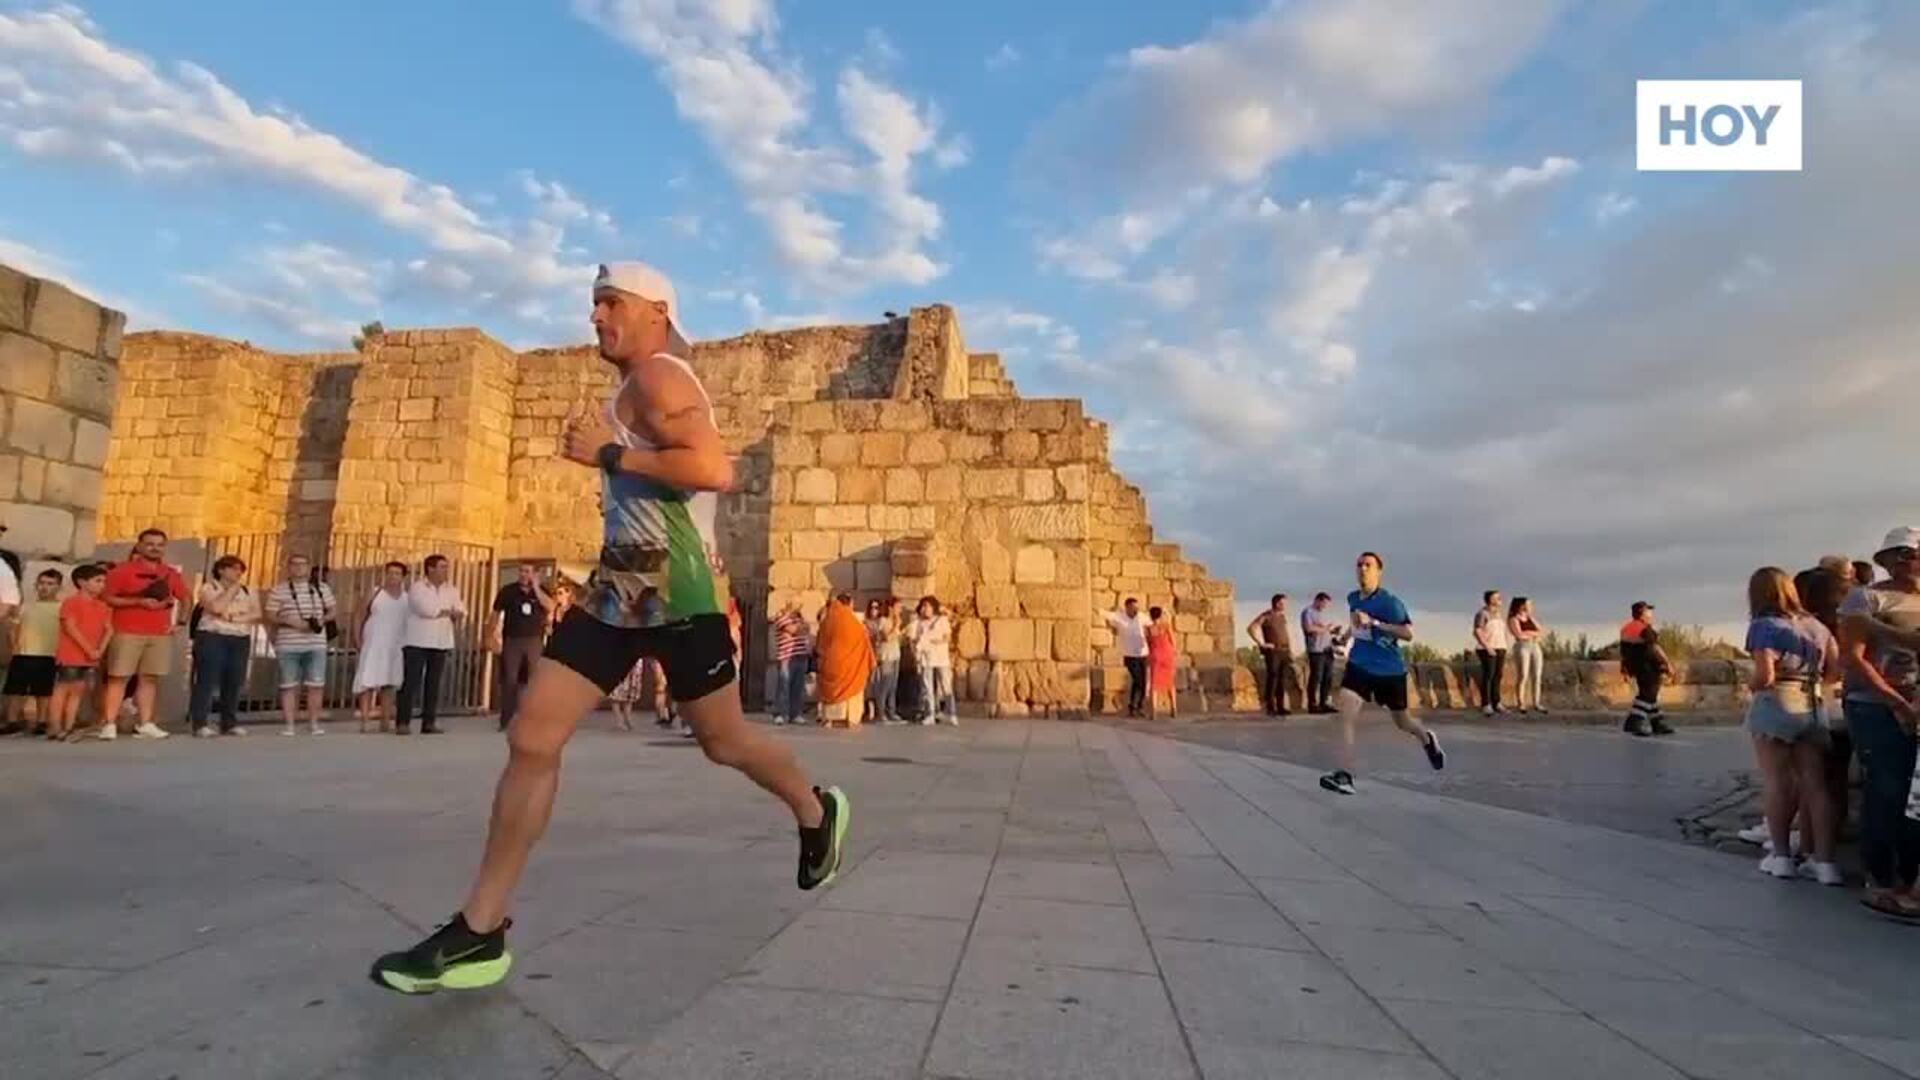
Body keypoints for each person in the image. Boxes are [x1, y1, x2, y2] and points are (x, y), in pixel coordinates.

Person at [369, 260, 848, 994]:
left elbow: (713, 470)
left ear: (656, 311)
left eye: (610, 302)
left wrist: (607, 452)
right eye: (593, 303)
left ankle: (816, 808)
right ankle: (480, 930)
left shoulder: (661, 375)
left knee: (724, 742)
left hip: (679, 588)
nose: (595, 316)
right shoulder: (634, 384)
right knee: (533, 735)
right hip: (619, 585)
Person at [1839, 527, 1920, 920]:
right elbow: (1853, 658)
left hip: (1915, 702)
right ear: (1885, 560)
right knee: (1886, 788)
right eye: (1901, 553)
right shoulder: (1867, 597)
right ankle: (1880, 879)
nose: (1909, 559)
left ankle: (1908, 880)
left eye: (1915, 553)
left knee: (1912, 796)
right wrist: (1897, 703)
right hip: (1874, 702)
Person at [1744, 567, 1843, 885]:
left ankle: (1782, 856)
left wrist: (1752, 685)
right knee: (1815, 786)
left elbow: (1765, 677)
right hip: (1812, 705)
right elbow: (1833, 673)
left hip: (1777, 703)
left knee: (1777, 782)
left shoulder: (1763, 627)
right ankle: (1825, 863)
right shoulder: (1818, 628)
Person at [1319, 552, 1445, 796]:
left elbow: (1408, 634)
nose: (1362, 569)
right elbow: (1356, 623)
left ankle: (1426, 738)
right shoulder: (1353, 598)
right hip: (1358, 666)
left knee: (1403, 722)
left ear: (1379, 571)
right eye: (1359, 565)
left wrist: (1376, 624)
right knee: (1345, 713)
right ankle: (1344, 775)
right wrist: (1344, 638)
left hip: (1389, 670)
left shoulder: (1390, 602)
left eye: (1368, 565)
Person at [98, 528, 188, 740]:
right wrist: (137, 602)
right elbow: (108, 598)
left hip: (159, 633)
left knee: (149, 678)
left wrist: (181, 622)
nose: (155, 548)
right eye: (150, 544)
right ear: (139, 546)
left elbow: (185, 597)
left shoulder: (171, 573)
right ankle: (109, 723)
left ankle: (145, 723)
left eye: (159, 544)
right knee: (118, 677)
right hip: (127, 630)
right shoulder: (121, 571)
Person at [263, 553, 334, 737]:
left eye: (302, 564)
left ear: (309, 567)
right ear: (289, 567)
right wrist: (289, 621)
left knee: (316, 685)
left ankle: (314, 723)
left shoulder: (321, 588)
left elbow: (333, 611)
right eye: (294, 564)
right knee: (288, 685)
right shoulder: (279, 590)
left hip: (315, 642)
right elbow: (270, 614)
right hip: (288, 643)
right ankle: (289, 725)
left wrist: (320, 620)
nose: (298, 568)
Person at [189, 556, 259, 737]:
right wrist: (230, 592)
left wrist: (234, 617)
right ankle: (200, 723)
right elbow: (217, 608)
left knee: (234, 679)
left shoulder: (248, 591)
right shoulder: (208, 588)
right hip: (213, 635)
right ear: (221, 570)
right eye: (234, 568)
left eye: (240, 570)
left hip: (239, 636)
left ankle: (228, 722)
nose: (238, 573)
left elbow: (256, 613)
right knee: (207, 679)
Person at [398, 554, 465, 735]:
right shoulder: (417, 588)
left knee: (434, 683)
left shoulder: (452, 589)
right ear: (431, 569)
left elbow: (461, 610)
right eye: (442, 567)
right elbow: (426, 610)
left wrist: (445, 612)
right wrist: (446, 612)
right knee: (411, 682)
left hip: (441, 641)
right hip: (417, 641)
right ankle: (403, 722)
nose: (446, 571)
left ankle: (429, 722)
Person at [490, 564, 554, 733]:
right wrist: (490, 636)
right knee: (510, 680)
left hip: (534, 641)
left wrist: (536, 588)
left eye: (527, 572)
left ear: (534, 574)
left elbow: (550, 607)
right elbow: (495, 613)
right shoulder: (508, 591)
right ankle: (507, 720)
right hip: (512, 640)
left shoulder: (542, 591)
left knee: (534, 680)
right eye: (521, 571)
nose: (523, 574)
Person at [50, 565, 110, 742]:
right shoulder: (72, 602)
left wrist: (99, 650)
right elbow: (70, 627)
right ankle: (54, 725)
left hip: (90, 655)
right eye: (98, 581)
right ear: (82, 583)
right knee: (63, 688)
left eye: (104, 581)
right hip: (71, 653)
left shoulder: (102, 606)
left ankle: (69, 725)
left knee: (78, 690)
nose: (102, 585)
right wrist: (89, 649)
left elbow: (109, 629)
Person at [4, 569, 65, 735]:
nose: (45, 587)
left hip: (48, 654)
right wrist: (14, 646)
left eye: (50, 584)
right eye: (42, 583)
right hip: (23, 653)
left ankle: (42, 721)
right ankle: (12, 720)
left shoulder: (62, 608)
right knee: (16, 690)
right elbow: (14, 627)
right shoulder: (26, 606)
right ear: (36, 585)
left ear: (58, 587)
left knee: (43, 691)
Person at [353, 562, 409, 734]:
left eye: (397, 573)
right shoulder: (375, 592)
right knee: (367, 680)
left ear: (403, 577)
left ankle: (385, 720)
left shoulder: (407, 597)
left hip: (396, 643)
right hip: (373, 641)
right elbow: (359, 616)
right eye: (390, 573)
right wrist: (357, 638)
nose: (393, 577)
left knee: (390, 682)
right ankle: (364, 720)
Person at [815, 593, 874, 729]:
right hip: (850, 665)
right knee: (852, 689)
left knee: (829, 691)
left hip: (830, 663)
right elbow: (863, 639)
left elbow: (820, 642)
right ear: (849, 604)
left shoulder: (828, 619)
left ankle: (829, 718)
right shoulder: (852, 620)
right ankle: (850, 718)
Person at [1617, 601, 1673, 737]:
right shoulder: (1645, 629)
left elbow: (1624, 651)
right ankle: (1634, 721)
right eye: (1648, 610)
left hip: (1635, 667)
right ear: (1642, 613)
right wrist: (1667, 664)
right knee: (1648, 695)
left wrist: (1624, 668)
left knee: (1650, 695)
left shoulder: (1626, 628)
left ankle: (1657, 722)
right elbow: (1654, 649)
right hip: (1648, 667)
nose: (1651, 613)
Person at [1247, 594, 1299, 716]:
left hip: (1284, 650)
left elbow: (1285, 633)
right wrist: (1262, 643)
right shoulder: (1267, 615)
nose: (1285, 605)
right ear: (1276, 603)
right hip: (1273, 651)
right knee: (1273, 678)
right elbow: (1251, 628)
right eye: (1283, 603)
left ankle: (1281, 706)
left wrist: (1290, 650)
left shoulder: (1282, 617)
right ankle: (1271, 707)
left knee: (1282, 679)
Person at [909, 595, 956, 725]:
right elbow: (913, 640)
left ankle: (951, 712)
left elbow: (948, 637)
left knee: (946, 685)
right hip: (926, 658)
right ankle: (930, 713)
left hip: (941, 657)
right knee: (927, 687)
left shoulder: (941, 620)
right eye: (923, 606)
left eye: (928, 606)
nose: (925, 609)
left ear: (933, 607)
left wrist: (936, 641)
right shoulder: (918, 623)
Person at [1105, 597, 1151, 717]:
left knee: (1142, 682)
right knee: (1138, 680)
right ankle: (1135, 707)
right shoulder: (1120, 618)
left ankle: (1136, 707)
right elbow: (1106, 615)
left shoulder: (1141, 617)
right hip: (1130, 656)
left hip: (1143, 654)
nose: (1135, 609)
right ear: (1127, 607)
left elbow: (1152, 623)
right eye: (1133, 607)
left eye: (1137, 607)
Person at [769, 599, 811, 725]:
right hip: (786, 657)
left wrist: (801, 626)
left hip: (800, 656)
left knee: (797, 687)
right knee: (784, 686)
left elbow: (807, 628)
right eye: (797, 605)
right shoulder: (782, 617)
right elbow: (794, 630)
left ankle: (795, 714)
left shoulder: (800, 619)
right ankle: (780, 713)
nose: (799, 608)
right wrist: (800, 627)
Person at [865, 597, 904, 725]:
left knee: (893, 686)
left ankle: (891, 712)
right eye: (898, 607)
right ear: (891, 608)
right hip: (886, 656)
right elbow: (887, 637)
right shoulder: (883, 621)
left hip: (895, 655)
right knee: (885, 686)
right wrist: (896, 626)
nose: (900, 610)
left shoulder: (896, 620)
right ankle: (880, 714)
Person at [1472, 589, 1511, 716]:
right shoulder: (1483, 614)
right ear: (1490, 600)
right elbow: (1477, 631)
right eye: (1497, 597)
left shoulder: (1500, 615)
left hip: (1500, 647)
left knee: (1498, 676)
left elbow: (1503, 631)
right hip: (1487, 648)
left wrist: (1505, 645)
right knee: (1488, 676)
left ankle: (1497, 702)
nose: (1500, 599)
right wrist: (1487, 646)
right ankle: (1486, 704)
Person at [1301, 592, 1342, 714]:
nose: (1325, 607)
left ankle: (1324, 703)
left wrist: (1333, 631)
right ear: (1318, 600)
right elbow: (1308, 629)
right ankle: (1312, 704)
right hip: (1316, 650)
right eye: (1324, 604)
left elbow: (1325, 631)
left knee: (1328, 677)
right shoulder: (1307, 612)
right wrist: (1325, 629)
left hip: (1327, 649)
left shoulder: (1322, 614)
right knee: (1316, 677)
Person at [1508, 596, 1547, 715]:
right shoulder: (1513, 619)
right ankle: (1521, 703)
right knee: (1523, 675)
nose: (1530, 607)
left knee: (1537, 675)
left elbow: (1542, 632)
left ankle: (1537, 702)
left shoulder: (1531, 618)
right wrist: (1532, 634)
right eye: (1527, 604)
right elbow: (1519, 635)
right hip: (1522, 646)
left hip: (1535, 646)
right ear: (1521, 606)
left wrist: (1530, 633)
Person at [1146, 606, 1178, 720]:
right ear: (1160, 615)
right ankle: (1174, 708)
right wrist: (1174, 652)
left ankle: (1153, 711)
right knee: (1170, 683)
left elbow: (1149, 643)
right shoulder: (1166, 626)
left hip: (1156, 654)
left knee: (1154, 684)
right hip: (1167, 654)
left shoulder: (1149, 629)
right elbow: (1173, 641)